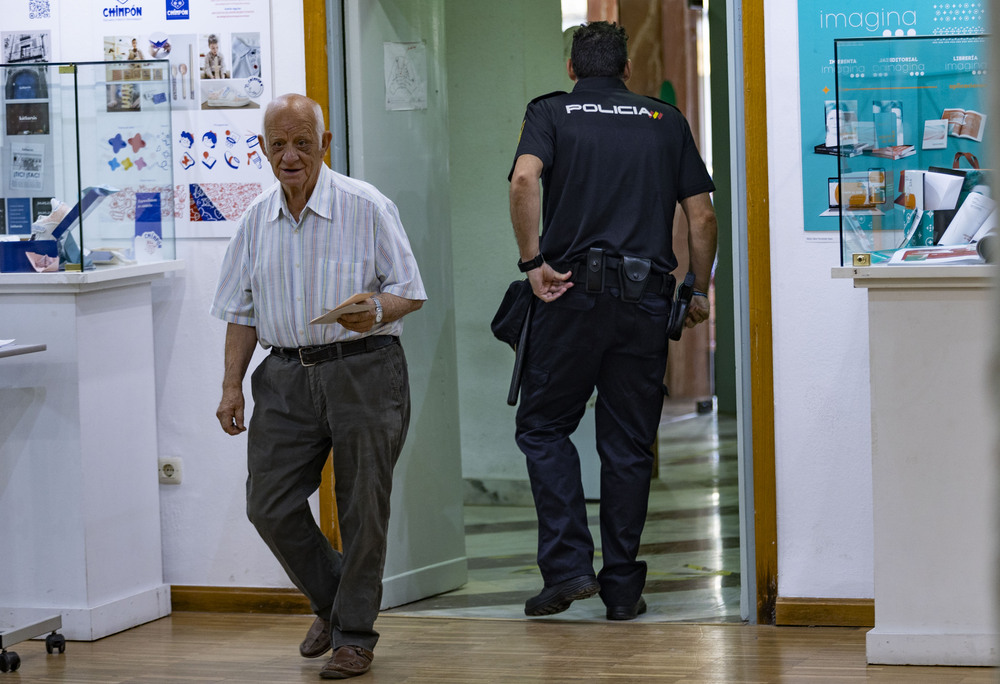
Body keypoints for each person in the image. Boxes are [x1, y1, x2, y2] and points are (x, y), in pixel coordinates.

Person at [507, 21, 718, 621]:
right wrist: (696, 288)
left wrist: (533, 263)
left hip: (569, 295)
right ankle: (622, 588)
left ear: (572, 70)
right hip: (644, 304)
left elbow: (525, 178)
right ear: (628, 71)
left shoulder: (551, 112)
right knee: (627, 445)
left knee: (545, 427)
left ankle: (570, 567)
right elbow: (701, 217)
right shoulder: (664, 121)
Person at [211, 93, 425, 679]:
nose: (290, 155)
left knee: (362, 509)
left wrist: (378, 309)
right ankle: (335, 603)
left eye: (302, 142)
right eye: (278, 144)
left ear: (324, 146)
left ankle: (354, 635)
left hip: (364, 370)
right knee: (269, 505)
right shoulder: (255, 220)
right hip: (282, 377)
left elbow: (410, 290)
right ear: (262, 149)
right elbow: (240, 311)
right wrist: (231, 386)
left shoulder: (366, 205)